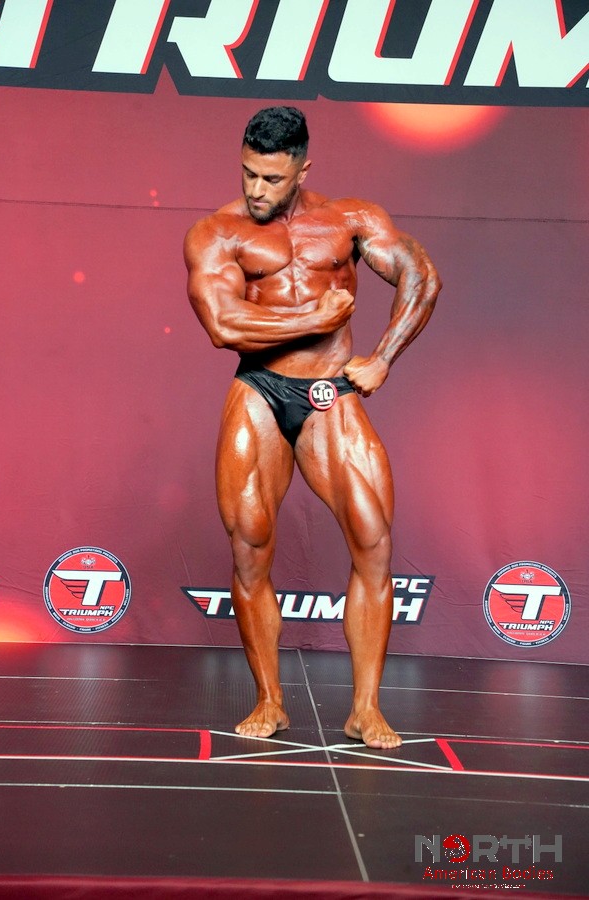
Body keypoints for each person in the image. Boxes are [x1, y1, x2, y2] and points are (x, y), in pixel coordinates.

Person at [184, 106, 441, 750]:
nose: (256, 189)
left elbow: (420, 274)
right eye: (248, 173)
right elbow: (223, 325)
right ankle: (270, 701)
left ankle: (365, 709)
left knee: (373, 541)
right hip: (259, 388)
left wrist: (383, 357)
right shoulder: (217, 232)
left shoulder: (350, 220)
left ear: (302, 170)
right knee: (250, 544)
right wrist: (314, 320)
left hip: (330, 391)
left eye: (271, 178)